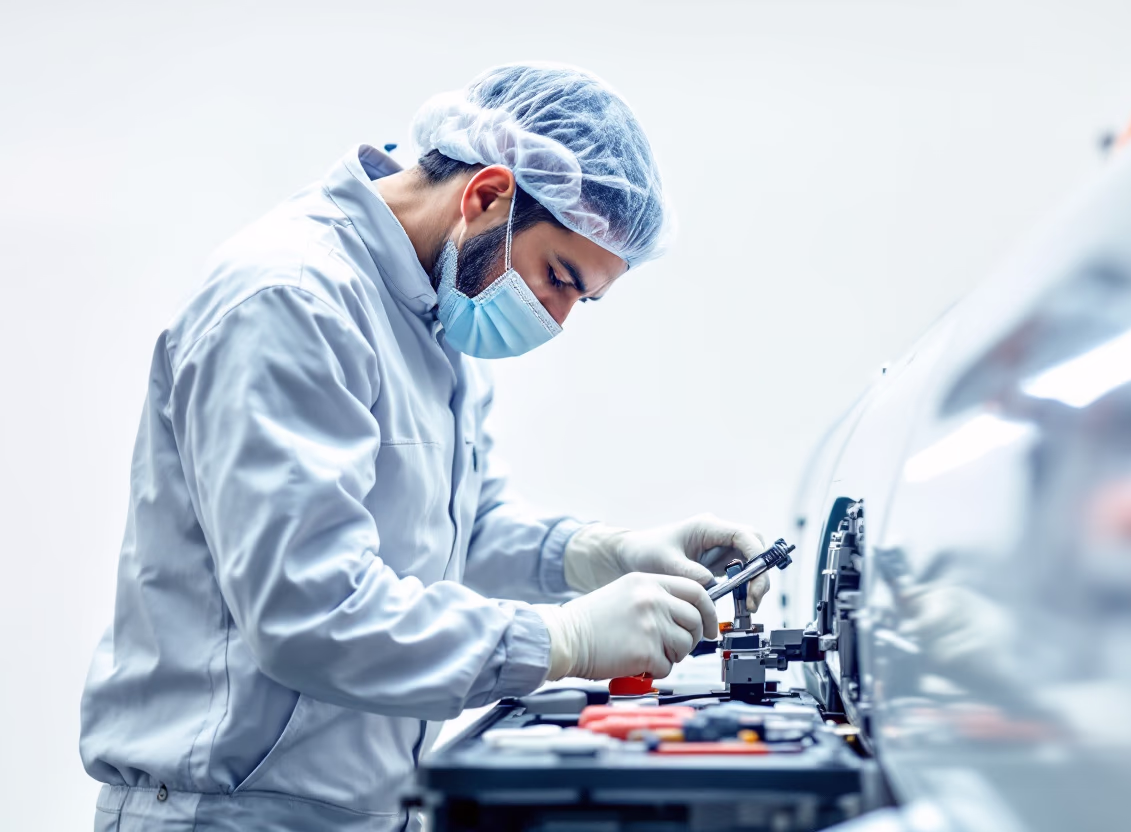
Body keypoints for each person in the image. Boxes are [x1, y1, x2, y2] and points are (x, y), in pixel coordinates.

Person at [79, 63, 770, 832]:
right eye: (558, 279)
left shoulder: (432, 319)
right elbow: (309, 609)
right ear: (487, 196)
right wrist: (561, 639)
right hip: (229, 814)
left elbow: (455, 531)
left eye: (583, 299)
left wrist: (602, 552)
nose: (557, 320)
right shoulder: (290, 302)